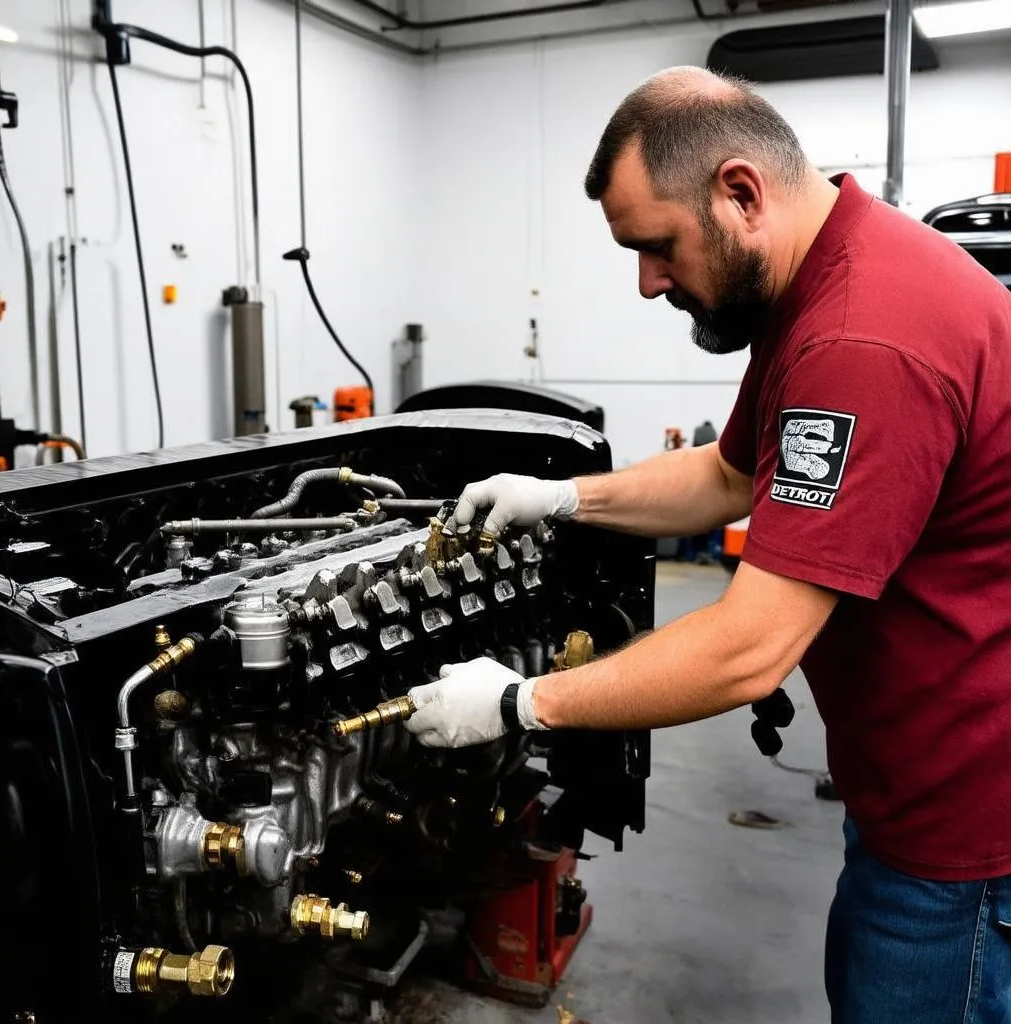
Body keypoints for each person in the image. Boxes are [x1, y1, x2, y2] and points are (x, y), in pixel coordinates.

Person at [403, 66, 1011, 1021]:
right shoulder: (826, 277)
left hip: (965, 838)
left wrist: (521, 702)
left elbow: (749, 647)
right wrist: (563, 497)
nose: (648, 283)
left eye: (657, 248)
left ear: (740, 193)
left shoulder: (862, 338)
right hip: (914, 790)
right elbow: (729, 476)